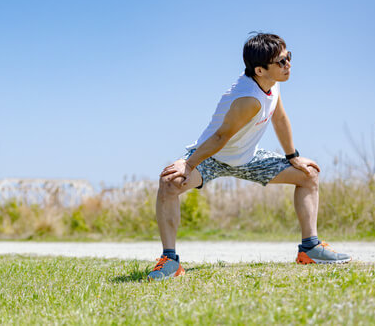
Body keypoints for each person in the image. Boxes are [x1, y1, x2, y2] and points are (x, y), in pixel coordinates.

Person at [148, 33, 351, 281]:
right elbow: (221, 137)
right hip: (212, 155)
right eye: (281, 62)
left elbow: (279, 118)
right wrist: (188, 163)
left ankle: (310, 248)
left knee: (308, 175)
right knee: (170, 183)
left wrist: (293, 156)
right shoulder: (248, 99)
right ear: (259, 70)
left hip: (248, 158)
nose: (288, 65)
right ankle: (170, 260)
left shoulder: (271, 85)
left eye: (289, 57)